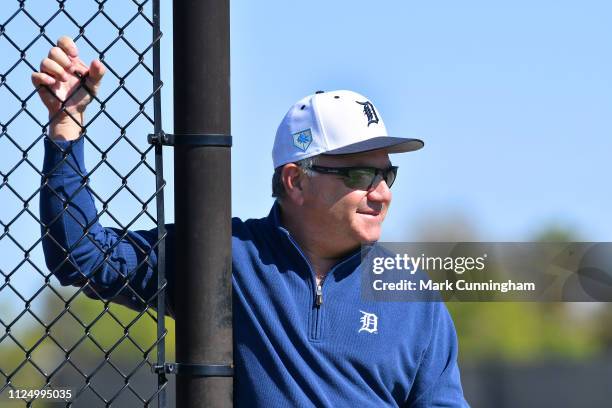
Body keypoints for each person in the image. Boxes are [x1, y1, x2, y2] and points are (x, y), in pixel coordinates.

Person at [34, 36, 469, 407]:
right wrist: (66, 128)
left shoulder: (413, 297)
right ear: (296, 181)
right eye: (360, 175)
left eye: (387, 174)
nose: (383, 192)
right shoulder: (225, 255)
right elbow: (83, 256)